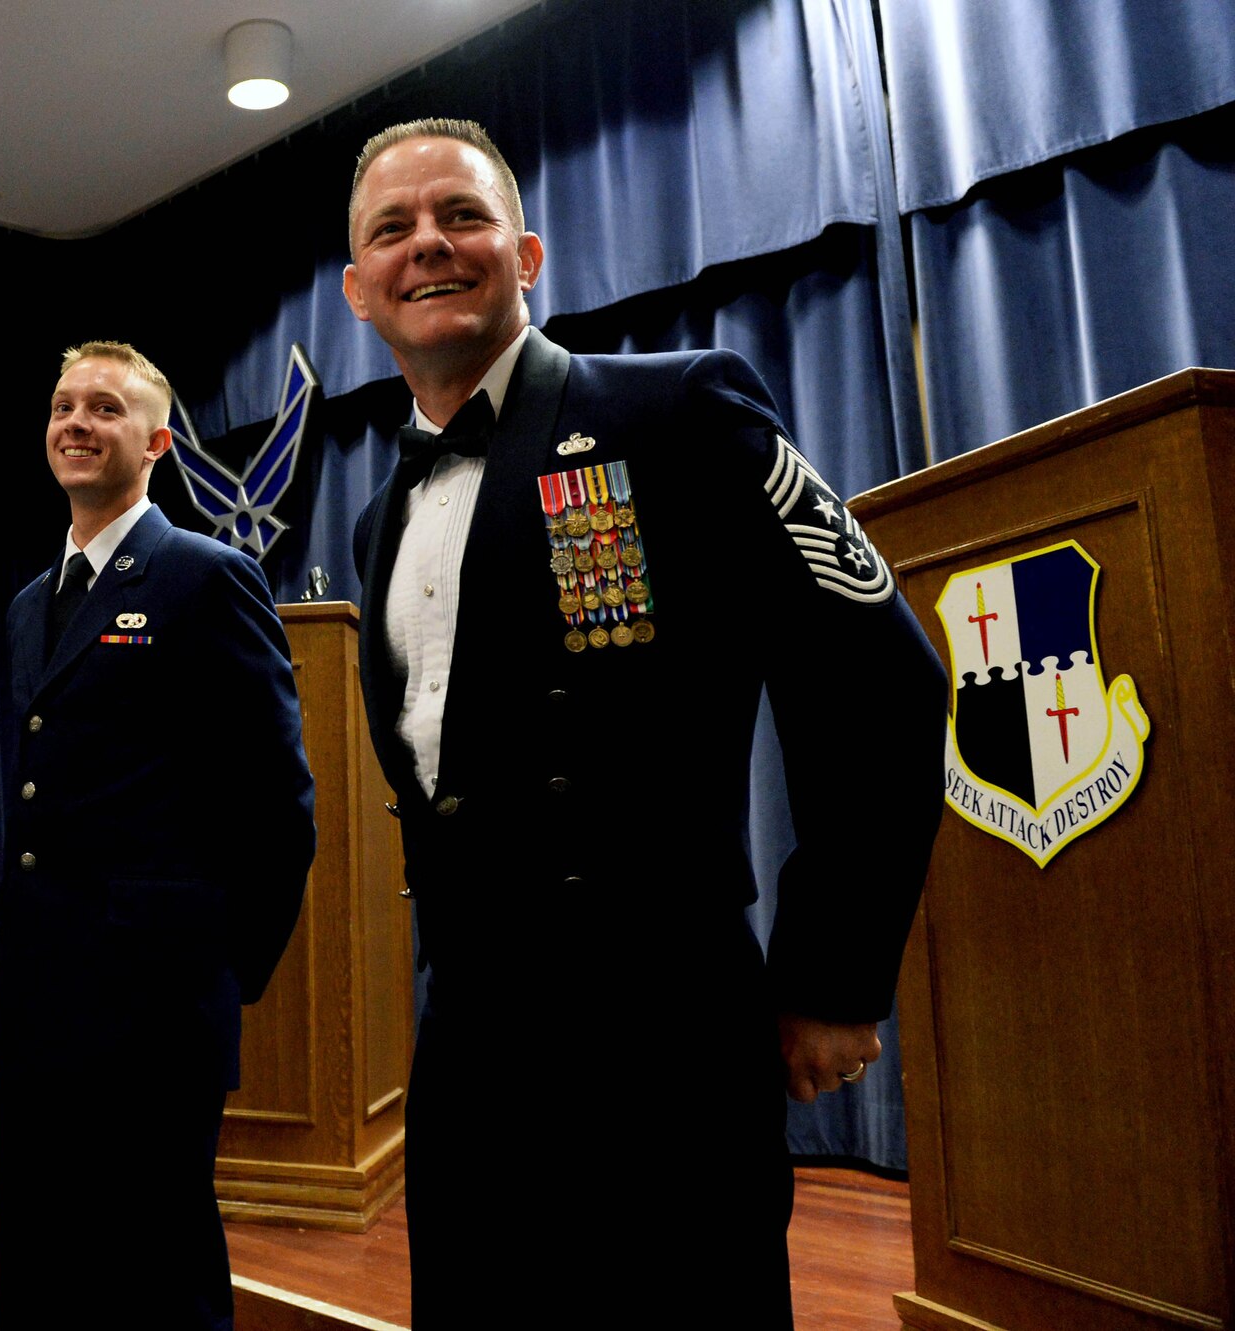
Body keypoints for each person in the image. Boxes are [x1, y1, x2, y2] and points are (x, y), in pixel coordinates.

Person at [340, 120, 947, 1322]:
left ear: (526, 255)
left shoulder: (675, 408)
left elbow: (876, 674)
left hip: (660, 1027)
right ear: (359, 291)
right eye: (391, 229)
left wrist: (832, 972)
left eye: (460, 215)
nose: (428, 245)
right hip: (466, 1037)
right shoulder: (378, 521)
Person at [0, 342, 316, 1330]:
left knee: (157, 1269)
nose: (76, 423)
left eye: (105, 407)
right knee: (38, 1254)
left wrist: (221, 968)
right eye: (62, 406)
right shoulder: (28, 604)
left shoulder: (206, 576)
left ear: (158, 442)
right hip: (36, 990)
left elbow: (277, 799)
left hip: (154, 999)